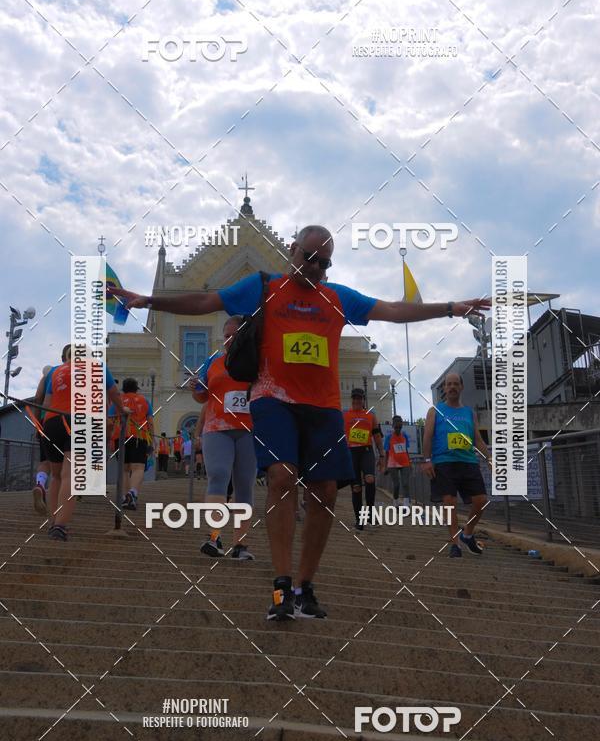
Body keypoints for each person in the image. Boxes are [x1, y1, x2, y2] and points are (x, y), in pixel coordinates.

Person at [114, 224, 489, 618]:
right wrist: (147, 301)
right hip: (272, 399)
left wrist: (449, 307)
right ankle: (280, 585)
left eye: (323, 262)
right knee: (281, 476)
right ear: (292, 250)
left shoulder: (337, 297)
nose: (314, 267)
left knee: (325, 492)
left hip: (323, 407)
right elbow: (206, 300)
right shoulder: (263, 287)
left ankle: (303, 586)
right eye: (308, 257)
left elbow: (393, 310)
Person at [38, 346, 125, 540]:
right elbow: (114, 395)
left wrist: (42, 427)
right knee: (71, 475)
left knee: (56, 476)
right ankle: (60, 526)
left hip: (52, 422)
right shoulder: (98, 367)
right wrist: (122, 410)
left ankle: (54, 521)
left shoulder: (55, 371)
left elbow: (46, 403)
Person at [192, 317, 256, 562]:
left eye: (234, 335)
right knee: (218, 475)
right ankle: (214, 537)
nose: (229, 340)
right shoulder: (213, 362)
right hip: (217, 427)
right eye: (226, 335)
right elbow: (203, 396)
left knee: (244, 484)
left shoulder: (257, 361)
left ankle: (240, 544)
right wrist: (196, 388)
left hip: (249, 429)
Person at [421, 372, 491, 557]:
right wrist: (427, 460)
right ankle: (455, 543)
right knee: (450, 502)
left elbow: (477, 439)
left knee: (481, 501)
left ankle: (467, 534)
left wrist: (489, 458)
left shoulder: (469, 412)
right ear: (444, 388)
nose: (451, 387)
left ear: (461, 387)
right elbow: (427, 437)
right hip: (444, 462)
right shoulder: (435, 411)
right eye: (448, 384)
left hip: (468, 461)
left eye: (455, 384)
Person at [108, 378, 154, 511]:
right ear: (136, 388)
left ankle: (124, 498)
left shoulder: (117, 401)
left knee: (124, 469)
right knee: (138, 468)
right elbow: (150, 421)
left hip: (120, 437)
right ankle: (133, 493)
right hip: (139, 437)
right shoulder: (145, 401)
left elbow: (110, 422)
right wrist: (152, 438)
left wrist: (110, 439)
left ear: (123, 388)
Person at [343, 387, 385, 530]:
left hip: (366, 451)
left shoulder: (370, 415)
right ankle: (359, 520)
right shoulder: (345, 415)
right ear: (352, 399)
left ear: (363, 400)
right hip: (351, 453)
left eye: (359, 398)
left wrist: (382, 454)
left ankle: (371, 513)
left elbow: (377, 436)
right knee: (356, 488)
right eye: (354, 398)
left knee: (370, 479)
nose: (357, 400)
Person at [31, 364, 56, 515]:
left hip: (47, 423)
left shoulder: (47, 377)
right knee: (64, 467)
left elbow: (37, 398)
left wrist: (37, 423)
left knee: (45, 461)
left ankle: (40, 484)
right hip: (70, 423)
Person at [384, 415, 411, 508]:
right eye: (396, 427)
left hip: (404, 462)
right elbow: (387, 453)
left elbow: (406, 450)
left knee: (406, 483)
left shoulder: (405, 436)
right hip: (392, 463)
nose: (398, 429)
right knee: (396, 485)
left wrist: (409, 462)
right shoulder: (388, 437)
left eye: (400, 427)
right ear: (393, 426)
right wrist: (385, 466)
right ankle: (395, 501)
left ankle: (406, 504)